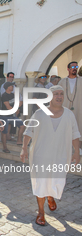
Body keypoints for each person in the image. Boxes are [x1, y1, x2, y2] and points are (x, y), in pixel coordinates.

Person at [20, 85, 80, 226]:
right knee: (40, 183)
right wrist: (24, 148)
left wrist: (76, 151)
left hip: (60, 155)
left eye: (61, 94)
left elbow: (75, 134)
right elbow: (28, 131)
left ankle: (51, 196)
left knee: (56, 181)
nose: (59, 96)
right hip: (40, 155)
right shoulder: (39, 114)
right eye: (56, 94)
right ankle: (41, 212)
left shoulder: (69, 115)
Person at [58, 61, 82, 155]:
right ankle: (64, 148)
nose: (75, 68)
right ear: (68, 69)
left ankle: (78, 148)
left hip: (79, 107)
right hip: (65, 107)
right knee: (65, 126)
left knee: (79, 126)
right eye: (73, 67)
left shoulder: (81, 80)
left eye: (76, 66)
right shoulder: (62, 82)